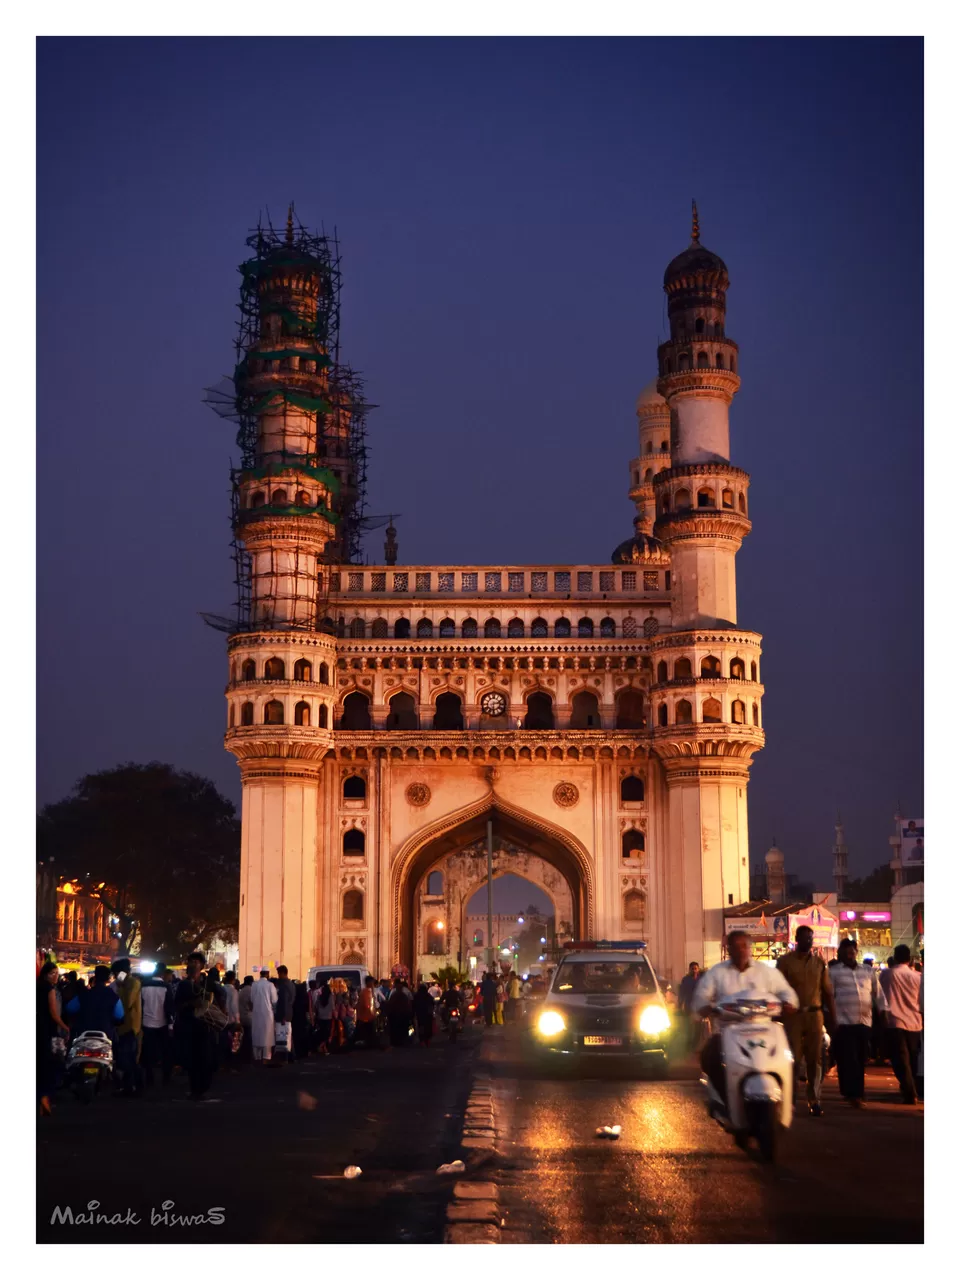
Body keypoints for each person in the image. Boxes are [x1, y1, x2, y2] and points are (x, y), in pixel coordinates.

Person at [696, 931, 797, 1100]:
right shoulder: (717, 973)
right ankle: (726, 1098)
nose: (740, 950)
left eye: (743, 946)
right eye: (735, 947)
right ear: (729, 950)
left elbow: (786, 992)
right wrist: (706, 1007)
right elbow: (701, 996)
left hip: (764, 1029)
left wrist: (788, 1003)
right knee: (709, 1057)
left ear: (749, 948)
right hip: (728, 1031)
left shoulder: (765, 972)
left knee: (791, 1056)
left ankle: (789, 1101)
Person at [777, 926, 836, 1116]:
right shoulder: (785, 962)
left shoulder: (820, 963)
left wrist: (833, 1018)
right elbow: (777, 988)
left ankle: (814, 1099)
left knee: (814, 1060)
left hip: (814, 1015)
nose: (808, 941)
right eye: (804, 938)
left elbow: (827, 992)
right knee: (792, 1059)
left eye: (810, 938)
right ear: (797, 939)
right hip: (793, 1016)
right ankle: (791, 1098)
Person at [830, 937, 888, 1107]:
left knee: (861, 1058)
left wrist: (883, 1011)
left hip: (864, 1021)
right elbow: (829, 996)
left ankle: (855, 1092)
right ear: (840, 953)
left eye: (852, 951)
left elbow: (878, 994)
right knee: (849, 1059)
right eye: (846, 952)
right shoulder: (834, 972)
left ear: (856, 953)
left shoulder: (868, 971)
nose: (850, 954)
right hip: (843, 1022)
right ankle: (855, 1094)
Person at [879, 945, 923, 1104]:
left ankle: (909, 1090)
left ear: (895, 957)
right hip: (914, 1023)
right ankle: (910, 1088)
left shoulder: (886, 974)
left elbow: (880, 997)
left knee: (900, 1059)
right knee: (911, 1058)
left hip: (894, 1021)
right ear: (910, 959)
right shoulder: (918, 977)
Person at [173, 952, 217, 1099]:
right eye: (191, 961)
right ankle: (195, 1090)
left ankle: (202, 1087)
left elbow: (219, 998)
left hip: (206, 1027)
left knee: (206, 1059)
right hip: (190, 1027)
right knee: (193, 1060)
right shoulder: (184, 985)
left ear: (202, 965)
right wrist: (190, 1004)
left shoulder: (207, 983)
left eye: (196, 962)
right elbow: (177, 1005)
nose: (193, 964)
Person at [37, 961, 70, 1116]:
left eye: (57, 973)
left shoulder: (36, 986)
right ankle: (43, 1096)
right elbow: (54, 1013)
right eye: (53, 973)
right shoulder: (50, 989)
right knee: (50, 1063)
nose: (56, 976)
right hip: (47, 1030)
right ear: (45, 974)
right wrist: (65, 1027)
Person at [111, 958, 143, 1097]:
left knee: (128, 1058)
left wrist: (119, 987)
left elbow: (127, 1002)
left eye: (116, 973)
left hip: (130, 1026)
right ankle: (130, 1086)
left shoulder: (133, 983)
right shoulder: (124, 983)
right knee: (126, 1058)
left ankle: (133, 1087)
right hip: (123, 1026)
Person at [140, 965, 175, 1087]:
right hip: (162, 1024)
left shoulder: (143, 985)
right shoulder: (166, 987)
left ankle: (149, 1077)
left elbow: (141, 1005)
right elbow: (170, 1007)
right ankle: (166, 1078)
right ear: (163, 974)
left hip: (146, 1023)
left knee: (148, 1052)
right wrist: (171, 1025)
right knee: (166, 1052)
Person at [251, 967, 278, 1062]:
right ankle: (266, 1057)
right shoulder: (270, 985)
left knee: (257, 1035)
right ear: (267, 974)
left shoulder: (254, 985)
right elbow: (274, 1001)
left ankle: (257, 1057)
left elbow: (251, 999)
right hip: (267, 1014)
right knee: (267, 1036)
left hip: (256, 1013)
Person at [273, 964, 295, 1061]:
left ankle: (286, 1057)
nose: (278, 976)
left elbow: (284, 1001)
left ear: (282, 973)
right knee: (288, 1035)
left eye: (279, 973)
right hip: (289, 1013)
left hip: (283, 1014)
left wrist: (283, 1016)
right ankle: (291, 1056)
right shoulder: (291, 984)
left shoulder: (283, 985)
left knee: (283, 1036)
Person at [385, 979, 413, 1047]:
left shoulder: (394, 992)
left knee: (398, 1028)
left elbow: (389, 1002)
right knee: (402, 1028)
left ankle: (398, 1041)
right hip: (401, 1014)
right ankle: (402, 1041)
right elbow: (410, 1002)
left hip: (397, 1014)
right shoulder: (404, 992)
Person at [354, 976, 379, 1049]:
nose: (373, 984)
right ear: (368, 983)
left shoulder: (370, 991)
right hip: (365, 1017)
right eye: (372, 982)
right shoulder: (365, 992)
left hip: (368, 1016)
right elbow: (365, 1004)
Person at [313, 982, 334, 1054]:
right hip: (328, 1017)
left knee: (322, 1033)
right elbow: (332, 1007)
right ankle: (321, 1046)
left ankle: (325, 1050)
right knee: (327, 1034)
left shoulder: (320, 996)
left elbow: (316, 1005)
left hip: (320, 1017)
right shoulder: (331, 996)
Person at [238, 975, 255, 1060]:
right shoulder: (251, 990)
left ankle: (242, 1054)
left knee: (243, 1036)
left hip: (241, 1016)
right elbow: (252, 1004)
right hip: (248, 1016)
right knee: (249, 1037)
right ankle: (248, 1056)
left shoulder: (242, 990)